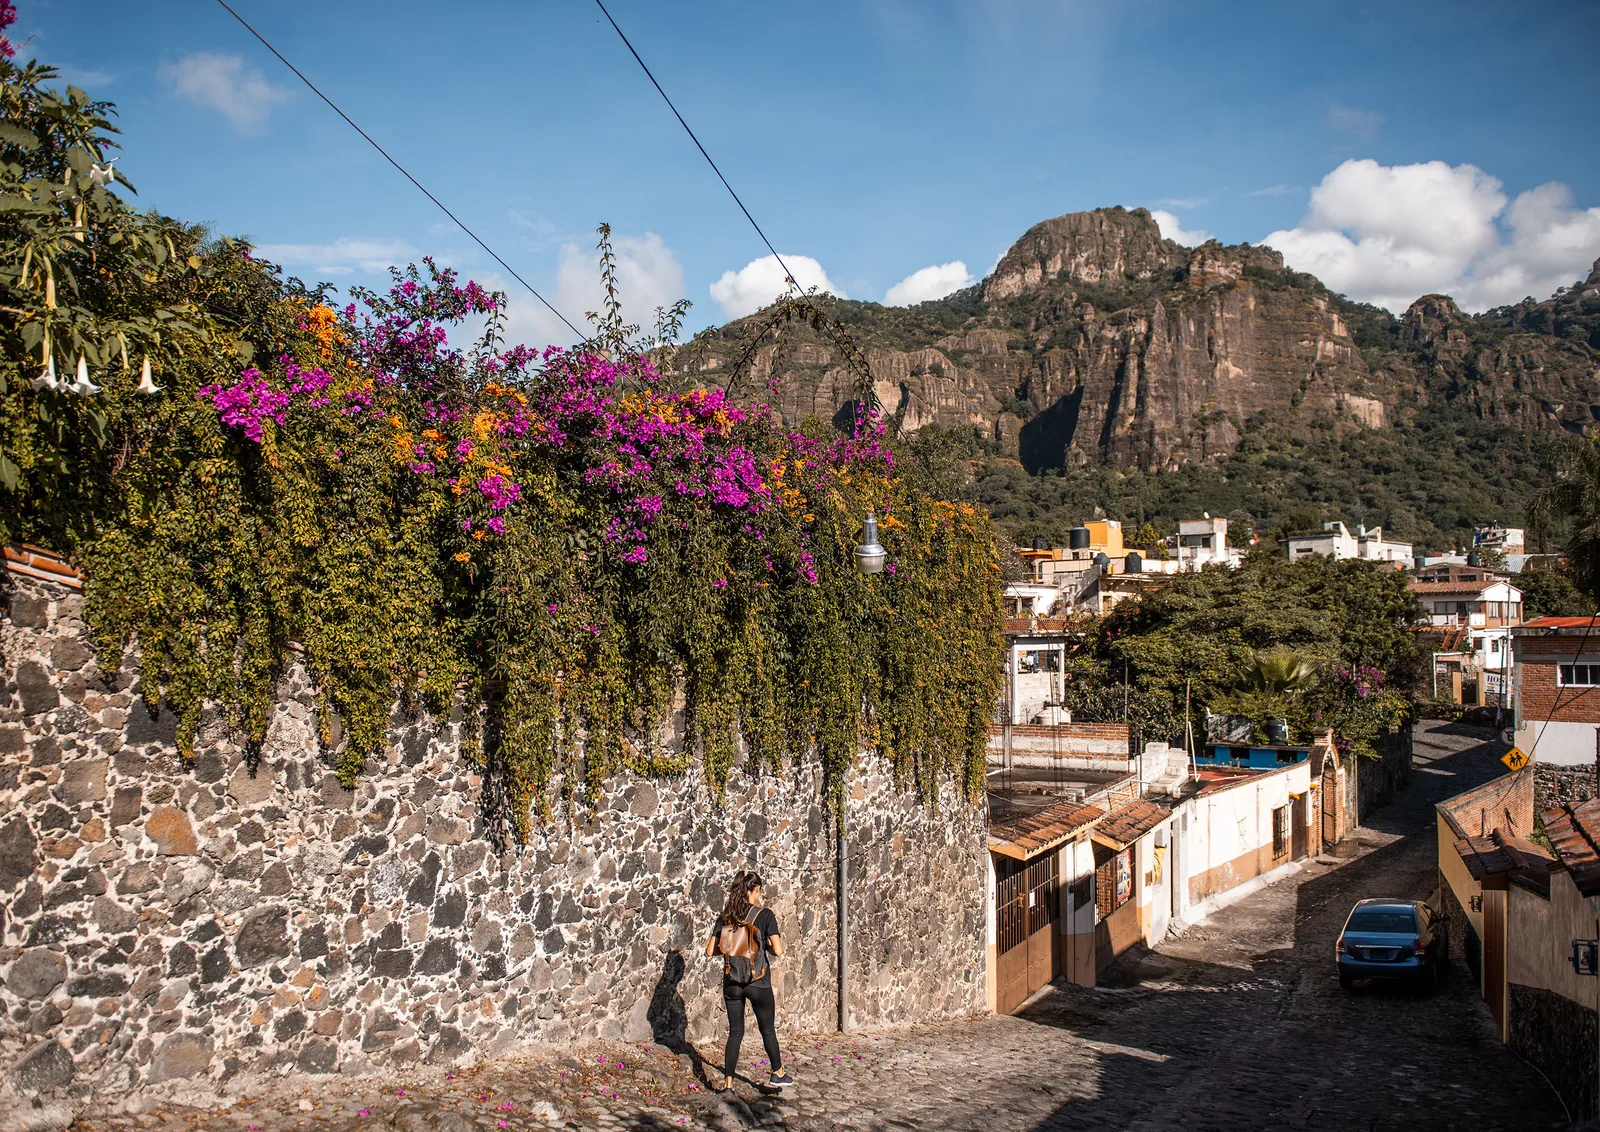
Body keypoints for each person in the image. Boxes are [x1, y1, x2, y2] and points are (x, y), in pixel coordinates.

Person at [705, 869, 793, 1090]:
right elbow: (779, 951)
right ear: (755, 890)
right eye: (758, 891)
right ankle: (777, 1073)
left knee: (735, 1032)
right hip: (758, 982)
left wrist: (733, 947)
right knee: (767, 1030)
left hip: (732, 982)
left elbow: (709, 951)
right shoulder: (765, 915)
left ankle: (728, 1084)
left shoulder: (726, 917)